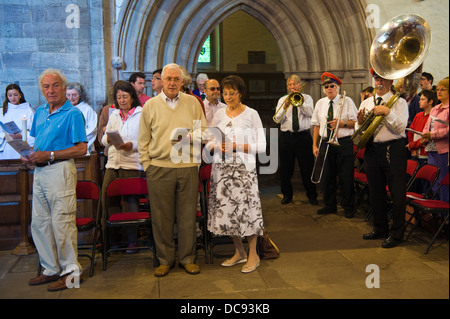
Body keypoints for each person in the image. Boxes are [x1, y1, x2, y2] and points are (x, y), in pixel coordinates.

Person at [138, 63, 206, 277]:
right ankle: (165, 260)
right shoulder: (150, 106)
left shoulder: (192, 103)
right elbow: (143, 140)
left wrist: (190, 141)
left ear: (182, 82)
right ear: (160, 81)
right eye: (168, 79)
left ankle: (188, 258)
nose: (172, 83)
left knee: (187, 217)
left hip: (187, 167)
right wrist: (147, 166)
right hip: (159, 167)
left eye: (176, 79)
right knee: (161, 217)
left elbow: (203, 131)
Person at [25, 68, 87, 291]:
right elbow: (38, 143)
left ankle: (72, 274)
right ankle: (50, 269)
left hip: (60, 170)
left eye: (55, 85)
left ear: (63, 87)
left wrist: (49, 155)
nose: (50, 90)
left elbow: (82, 149)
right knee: (40, 223)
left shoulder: (73, 114)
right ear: (41, 89)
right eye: (46, 86)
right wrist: (30, 155)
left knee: (63, 224)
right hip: (40, 171)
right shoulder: (40, 111)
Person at [206, 75, 266, 273]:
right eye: (225, 93)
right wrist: (216, 146)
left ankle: (253, 255)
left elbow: (262, 146)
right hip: (221, 170)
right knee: (228, 212)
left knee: (246, 213)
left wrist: (236, 146)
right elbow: (209, 141)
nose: (228, 97)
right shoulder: (220, 115)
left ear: (240, 93)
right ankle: (239, 251)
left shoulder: (251, 114)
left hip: (243, 171)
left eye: (232, 93)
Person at [358, 68, 409, 248]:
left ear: (390, 83)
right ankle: (380, 228)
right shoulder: (366, 102)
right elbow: (362, 130)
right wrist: (359, 121)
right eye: (376, 79)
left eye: (382, 80)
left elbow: (401, 128)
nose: (378, 83)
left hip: (392, 148)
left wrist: (387, 112)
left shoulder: (399, 103)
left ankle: (397, 233)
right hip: (372, 149)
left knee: (397, 193)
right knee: (375, 191)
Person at [311, 72, 357, 218]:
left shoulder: (347, 101)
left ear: (337, 87)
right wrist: (314, 145)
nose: (329, 89)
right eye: (326, 87)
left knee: (346, 176)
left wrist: (342, 123)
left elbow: (356, 123)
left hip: (343, 142)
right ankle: (330, 205)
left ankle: (348, 206)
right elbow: (316, 126)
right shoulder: (320, 103)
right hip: (326, 142)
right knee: (327, 176)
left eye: (331, 86)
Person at [273, 74, 317, 205]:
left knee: (307, 168)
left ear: (299, 85)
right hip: (287, 137)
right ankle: (287, 195)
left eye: (294, 84)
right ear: (287, 87)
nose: (292, 87)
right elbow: (276, 119)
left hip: (303, 137)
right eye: (290, 85)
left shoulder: (307, 98)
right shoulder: (282, 100)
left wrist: (300, 103)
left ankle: (312, 195)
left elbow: (311, 113)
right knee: (286, 169)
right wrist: (286, 106)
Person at [421, 78, 449, 202]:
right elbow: (427, 125)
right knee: (433, 179)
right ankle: (436, 210)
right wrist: (424, 135)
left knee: (443, 180)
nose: (439, 92)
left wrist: (432, 135)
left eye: (443, 89)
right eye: (437, 89)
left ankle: (444, 212)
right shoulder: (435, 108)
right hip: (431, 148)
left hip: (444, 149)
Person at [0, 84, 35, 160]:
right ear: (7, 96)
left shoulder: (29, 111)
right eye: (10, 95)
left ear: (20, 95)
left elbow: (34, 132)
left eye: (15, 95)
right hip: (6, 149)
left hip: (22, 147)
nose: (13, 98)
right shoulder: (2, 111)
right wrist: (4, 136)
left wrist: (21, 135)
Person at [407, 90, 438, 167]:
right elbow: (411, 132)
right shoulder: (418, 115)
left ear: (430, 101)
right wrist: (413, 149)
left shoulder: (434, 117)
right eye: (420, 99)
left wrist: (412, 145)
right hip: (414, 152)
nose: (419, 101)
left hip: (426, 154)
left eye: (423, 99)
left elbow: (426, 137)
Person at [66, 82, 98, 154]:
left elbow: (92, 130)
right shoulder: (63, 110)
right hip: (66, 149)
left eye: (74, 95)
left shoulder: (87, 110)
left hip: (83, 149)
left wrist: (76, 140)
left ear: (80, 95)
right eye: (68, 95)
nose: (71, 98)